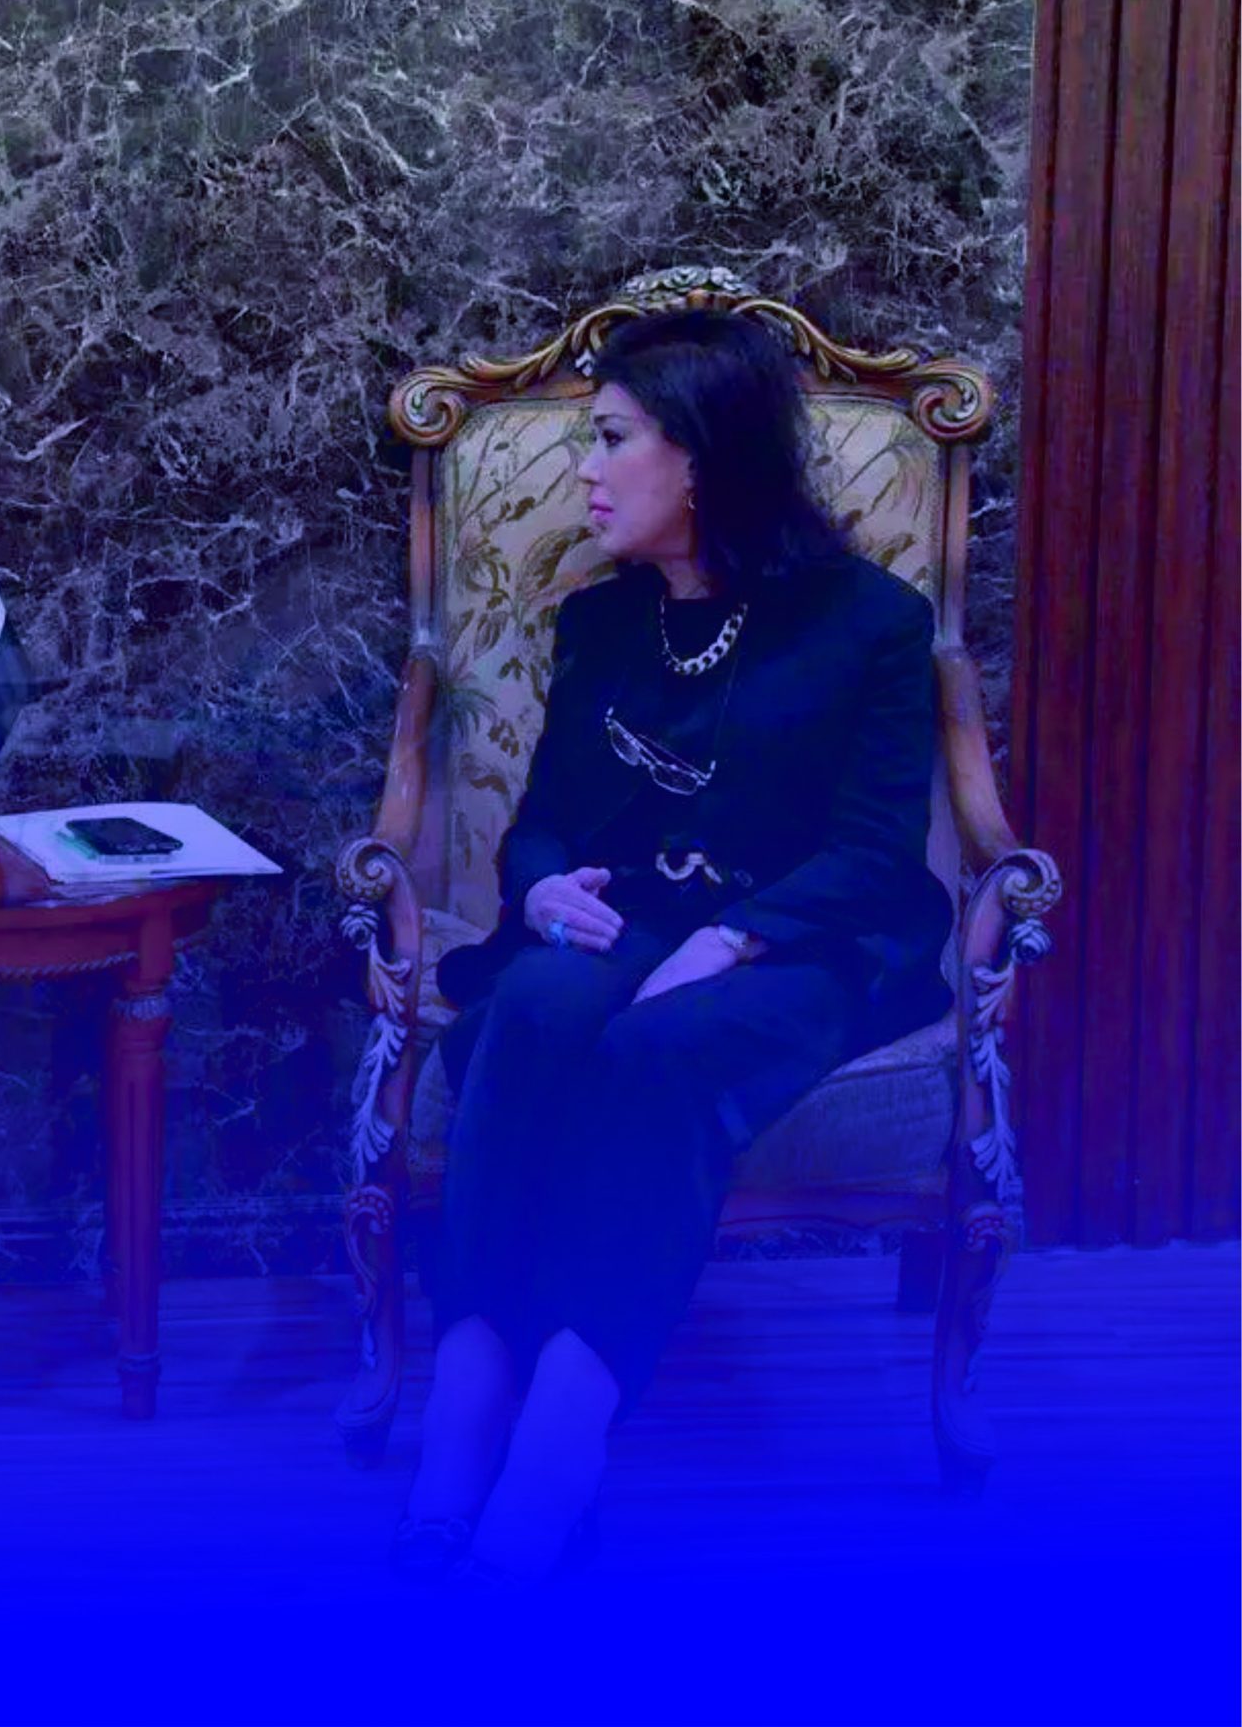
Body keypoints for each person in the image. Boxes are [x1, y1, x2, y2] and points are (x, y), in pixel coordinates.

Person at [398, 309, 952, 1583]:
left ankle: (561, 1435)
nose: (582, 471)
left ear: (699, 454)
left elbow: (876, 850)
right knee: (536, 1004)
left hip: (808, 943)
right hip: (630, 917)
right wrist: (542, 893)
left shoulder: (869, 623)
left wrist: (735, 937)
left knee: (654, 1050)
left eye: (610, 440)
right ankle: (465, 1396)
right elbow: (540, 824)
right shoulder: (604, 622)